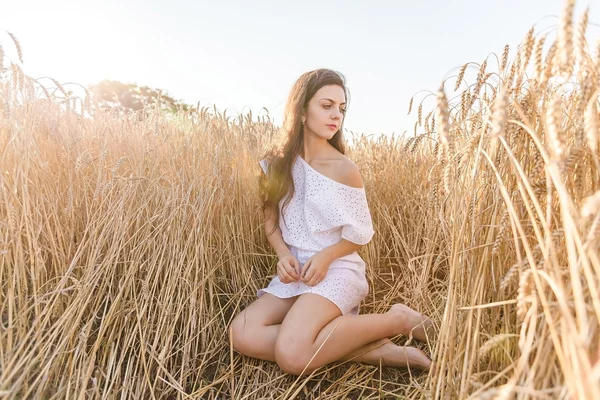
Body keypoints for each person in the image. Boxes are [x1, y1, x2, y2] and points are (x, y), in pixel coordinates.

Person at [229, 68, 434, 376]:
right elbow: (270, 219)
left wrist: (326, 257)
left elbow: (361, 234)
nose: (336, 115)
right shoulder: (274, 164)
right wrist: (284, 256)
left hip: (336, 270)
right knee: (241, 333)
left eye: (341, 108)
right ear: (300, 110)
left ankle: (400, 320)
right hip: (296, 273)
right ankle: (367, 347)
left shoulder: (343, 169)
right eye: (326, 106)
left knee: (293, 356)